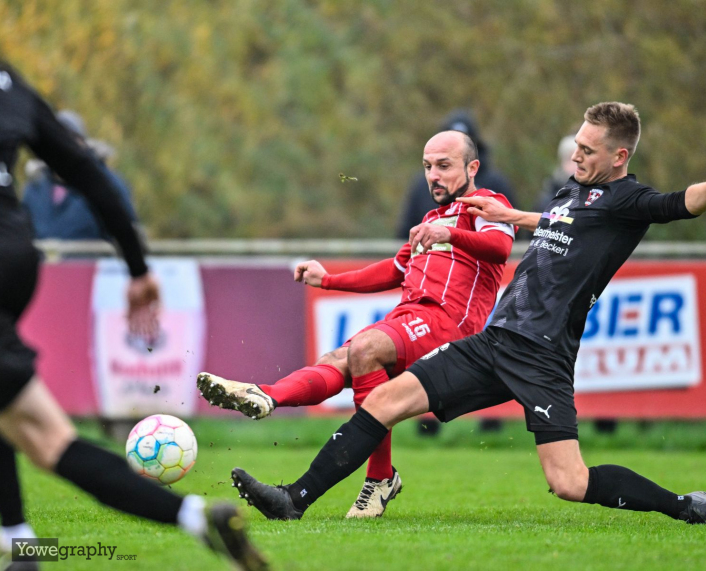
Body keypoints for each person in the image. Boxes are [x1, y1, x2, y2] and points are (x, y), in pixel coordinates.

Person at [227, 102, 706, 526]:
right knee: (384, 399)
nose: (575, 156)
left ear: (619, 156)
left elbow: (680, 203)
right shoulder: (575, 191)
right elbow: (562, 220)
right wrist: (513, 215)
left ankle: (685, 506)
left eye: (588, 150)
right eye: (577, 145)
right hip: (496, 339)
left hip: (543, 356)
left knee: (569, 483)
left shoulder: (629, 200)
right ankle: (293, 499)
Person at [0, 59, 267, 570]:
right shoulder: (4, 80)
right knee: (20, 418)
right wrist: (138, 269)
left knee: (34, 428)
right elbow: (87, 171)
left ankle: (189, 518)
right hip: (12, 256)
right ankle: (20, 543)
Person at [197, 129, 515, 518]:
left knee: (366, 349)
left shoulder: (487, 204)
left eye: (444, 166)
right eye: (428, 166)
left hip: (450, 325)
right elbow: (394, 270)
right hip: (411, 316)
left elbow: (501, 248)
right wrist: (328, 280)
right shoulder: (430, 219)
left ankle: (377, 476)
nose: (434, 175)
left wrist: (448, 233)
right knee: (339, 359)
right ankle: (267, 396)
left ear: (473, 167)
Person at [396, 110, 517, 239]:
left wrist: (451, 235)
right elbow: (406, 231)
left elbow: (507, 238)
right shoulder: (422, 184)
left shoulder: (495, 184)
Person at [22, 110, 138, 240]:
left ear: (83, 143)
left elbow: (128, 233)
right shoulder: (35, 187)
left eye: (70, 138)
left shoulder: (107, 183)